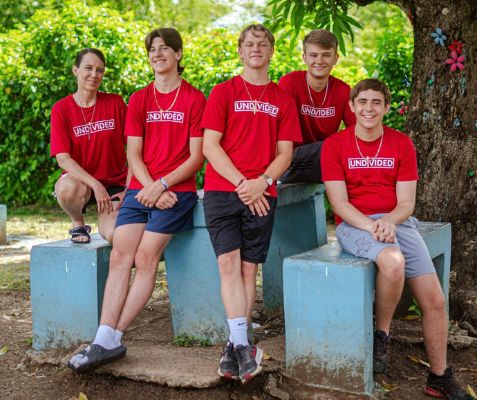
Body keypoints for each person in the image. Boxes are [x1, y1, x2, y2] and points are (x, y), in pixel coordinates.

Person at [66, 28, 206, 373]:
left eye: (164, 48)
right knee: (120, 255)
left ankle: (113, 338)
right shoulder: (140, 98)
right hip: (142, 190)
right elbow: (133, 153)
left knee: (145, 257)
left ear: (178, 54)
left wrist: (162, 186)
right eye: (152, 49)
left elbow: (196, 158)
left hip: (176, 193)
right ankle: (103, 337)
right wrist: (148, 187)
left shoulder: (194, 99)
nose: (157, 53)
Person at [322, 79, 470, 399]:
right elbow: (340, 204)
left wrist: (389, 221)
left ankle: (439, 378)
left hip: (398, 222)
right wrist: (374, 226)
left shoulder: (401, 143)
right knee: (393, 263)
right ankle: (382, 334)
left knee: (435, 301)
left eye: (376, 102)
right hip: (355, 224)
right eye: (363, 102)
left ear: (387, 107)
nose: (369, 108)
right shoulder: (335, 145)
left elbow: (406, 203)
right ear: (352, 106)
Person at [200, 24, 300, 383]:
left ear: (271, 51)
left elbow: (285, 153)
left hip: (262, 192)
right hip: (224, 190)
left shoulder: (282, 99)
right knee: (227, 264)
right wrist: (244, 184)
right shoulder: (223, 91)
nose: (256, 48)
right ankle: (242, 344)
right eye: (249, 44)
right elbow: (210, 146)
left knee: (247, 269)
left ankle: (235, 345)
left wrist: (263, 182)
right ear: (240, 51)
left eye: (262, 44)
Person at [49, 48, 128, 244]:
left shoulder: (115, 103)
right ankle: (78, 223)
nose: (94, 74)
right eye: (88, 68)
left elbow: (135, 146)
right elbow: (63, 158)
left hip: (115, 184)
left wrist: (129, 188)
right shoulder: (61, 109)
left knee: (114, 235)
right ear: (75, 70)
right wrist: (95, 184)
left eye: (100, 70)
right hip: (81, 183)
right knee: (65, 188)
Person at [278, 29, 355, 184]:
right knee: (332, 146)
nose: (319, 60)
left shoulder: (343, 90)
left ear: (335, 58)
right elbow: (277, 128)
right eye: (313, 55)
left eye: (326, 55)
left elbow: (357, 131)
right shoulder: (290, 83)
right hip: (289, 161)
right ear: (304, 58)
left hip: (324, 161)